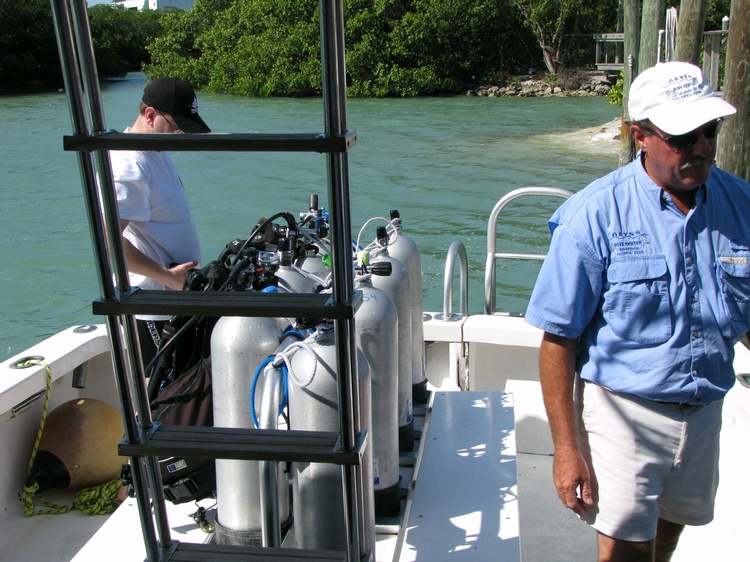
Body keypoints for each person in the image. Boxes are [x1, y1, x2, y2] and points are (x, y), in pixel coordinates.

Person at [525, 61, 749, 561]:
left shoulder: (744, 206)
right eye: (684, 136)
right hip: (624, 410)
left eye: (709, 131)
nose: (703, 148)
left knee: (669, 533)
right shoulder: (593, 216)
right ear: (640, 136)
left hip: (706, 408)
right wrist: (567, 448)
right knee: (625, 550)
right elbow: (557, 340)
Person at [111, 77, 211, 369]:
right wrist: (168, 277)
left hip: (172, 301)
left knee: (178, 387)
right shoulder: (130, 162)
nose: (179, 134)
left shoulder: (153, 150)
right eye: (175, 125)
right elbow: (108, 242)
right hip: (151, 310)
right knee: (158, 391)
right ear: (150, 115)